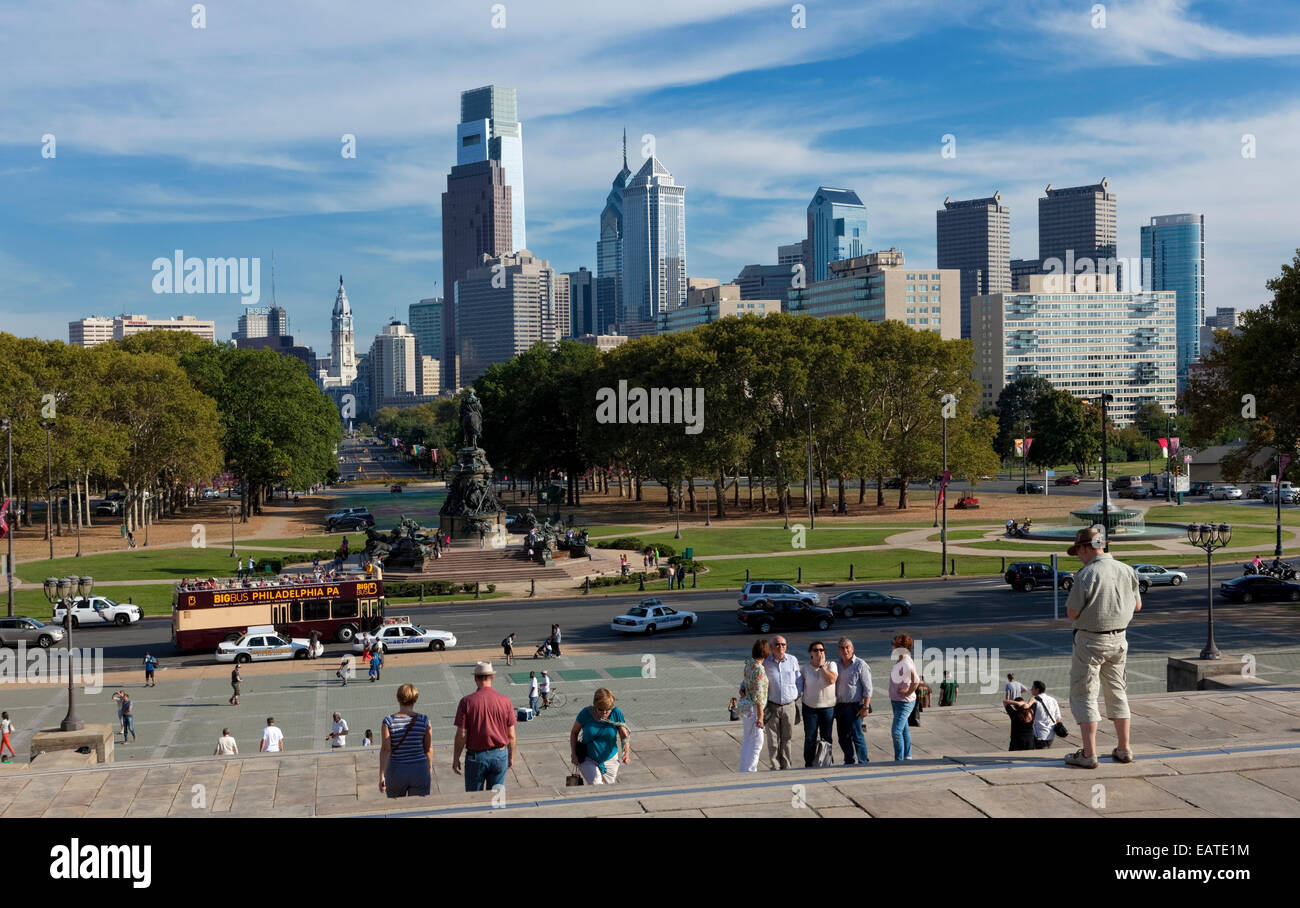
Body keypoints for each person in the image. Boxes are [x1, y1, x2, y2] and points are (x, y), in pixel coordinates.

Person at [1064, 525, 1142, 769]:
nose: (1078, 555)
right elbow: (1138, 606)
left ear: (1087, 547)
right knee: (1117, 690)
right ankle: (1124, 747)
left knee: (1084, 693)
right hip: (1119, 639)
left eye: (1078, 550)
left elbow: (1072, 612)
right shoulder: (1127, 570)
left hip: (1090, 641)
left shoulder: (1086, 574)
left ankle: (1088, 754)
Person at [452, 662, 518, 792]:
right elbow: (511, 735)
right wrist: (510, 756)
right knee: (496, 798)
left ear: (475, 678)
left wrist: (456, 759)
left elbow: (462, 735)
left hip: (476, 757)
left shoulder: (466, 702)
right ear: (492, 678)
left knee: (474, 799)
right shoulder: (505, 701)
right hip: (500, 754)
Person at [380, 683, 433, 798]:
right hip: (420, 769)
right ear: (415, 699)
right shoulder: (424, 720)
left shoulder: (388, 721)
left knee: (396, 808)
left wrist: (382, 775)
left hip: (397, 769)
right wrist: (429, 767)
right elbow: (428, 749)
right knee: (419, 808)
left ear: (398, 698)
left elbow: (386, 750)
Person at [570, 688, 632, 785]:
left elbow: (624, 736)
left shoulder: (616, 713)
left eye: (607, 710)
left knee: (609, 788)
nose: (604, 713)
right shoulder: (585, 713)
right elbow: (574, 733)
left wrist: (626, 753)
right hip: (588, 758)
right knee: (596, 784)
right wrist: (573, 754)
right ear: (595, 705)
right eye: (601, 710)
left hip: (610, 759)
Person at [762, 634, 802, 770]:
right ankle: (775, 765)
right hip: (771, 705)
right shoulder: (765, 662)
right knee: (772, 739)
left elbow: (799, 679)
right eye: (777, 644)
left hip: (789, 705)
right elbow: (756, 677)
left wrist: (796, 694)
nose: (781, 647)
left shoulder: (792, 660)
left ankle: (786, 765)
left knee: (787, 738)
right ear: (771, 647)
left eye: (783, 644)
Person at [834, 638, 872, 765]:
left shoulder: (860, 664)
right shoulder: (836, 665)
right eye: (841, 648)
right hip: (840, 706)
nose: (845, 650)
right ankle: (849, 760)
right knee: (842, 737)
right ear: (838, 650)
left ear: (852, 649)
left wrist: (866, 707)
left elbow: (868, 688)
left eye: (847, 647)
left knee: (857, 736)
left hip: (855, 707)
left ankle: (863, 761)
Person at [801, 641, 838, 767]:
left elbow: (831, 680)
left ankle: (826, 762)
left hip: (828, 708)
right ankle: (809, 763)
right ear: (811, 653)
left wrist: (822, 667)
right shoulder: (805, 668)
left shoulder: (831, 665)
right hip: (810, 708)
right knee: (810, 737)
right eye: (816, 650)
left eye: (821, 650)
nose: (819, 652)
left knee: (826, 737)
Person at [738, 639, 769, 772]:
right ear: (766, 652)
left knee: (747, 739)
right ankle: (751, 769)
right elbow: (759, 695)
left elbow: (744, 684)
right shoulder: (759, 669)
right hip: (754, 709)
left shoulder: (748, 664)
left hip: (745, 706)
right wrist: (761, 717)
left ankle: (744, 768)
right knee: (757, 741)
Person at [888, 634, 920, 761]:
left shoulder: (906, 662)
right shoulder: (902, 659)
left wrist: (907, 692)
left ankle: (899, 760)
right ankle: (908, 756)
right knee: (904, 729)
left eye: (894, 644)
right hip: (897, 701)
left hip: (904, 702)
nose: (892, 646)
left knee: (896, 731)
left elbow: (916, 680)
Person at [1031, 681, 1062, 749]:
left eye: (1032, 687)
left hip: (1039, 734)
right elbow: (1058, 717)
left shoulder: (1034, 701)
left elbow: (1029, 717)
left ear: (1037, 689)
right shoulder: (1053, 700)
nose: (1031, 689)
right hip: (1051, 734)